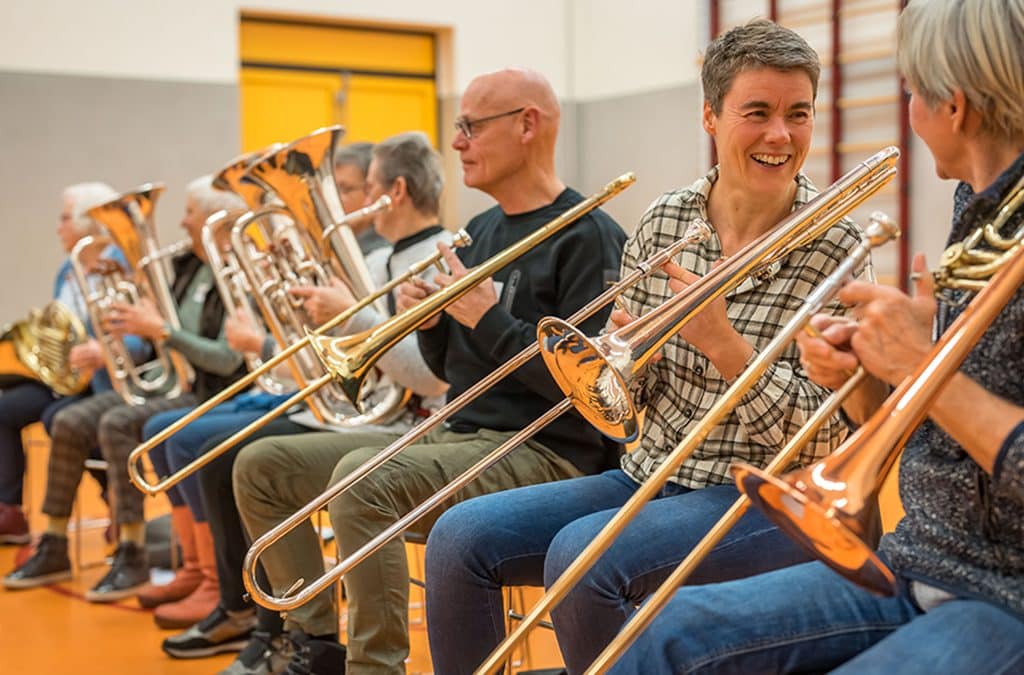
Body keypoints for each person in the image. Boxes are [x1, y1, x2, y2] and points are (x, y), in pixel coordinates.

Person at [423, 20, 876, 675]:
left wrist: (724, 345)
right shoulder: (665, 218)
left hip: (768, 494)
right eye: (758, 112)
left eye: (797, 114)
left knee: (583, 558)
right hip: (652, 470)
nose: (781, 135)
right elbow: (626, 407)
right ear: (710, 117)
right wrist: (626, 358)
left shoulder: (841, 247)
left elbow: (824, 438)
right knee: (459, 537)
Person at [610, 2, 1024, 673]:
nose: (909, 111)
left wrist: (924, 366)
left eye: (912, 93)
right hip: (916, 555)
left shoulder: (879, 232)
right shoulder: (980, 209)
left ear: (957, 107)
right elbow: (898, 427)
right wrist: (861, 372)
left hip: (1004, 592)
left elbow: (932, 407)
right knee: (665, 636)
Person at [232, 68, 626, 675]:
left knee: (361, 481)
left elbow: (587, 394)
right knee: (263, 466)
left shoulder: (589, 236)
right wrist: (429, 322)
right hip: (460, 432)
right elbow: (452, 371)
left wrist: (488, 318)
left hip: (546, 451)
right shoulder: (482, 230)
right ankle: (317, 649)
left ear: (527, 125)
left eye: (471, 126)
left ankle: (377, 668)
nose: (458, 143)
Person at [159, 131, 453, 672]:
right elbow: (334, 363)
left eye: (355, 187)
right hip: (362, 410)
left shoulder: (430, 257)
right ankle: (301, 637)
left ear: (395, 191)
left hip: (409, 424)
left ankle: (267, 624)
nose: (349, 202)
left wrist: (345, 316)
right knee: (237, 459)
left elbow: (429, 378)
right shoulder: (382, 259)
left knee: (236, 456)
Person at [2, 175, 248, 602]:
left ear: (214, 220)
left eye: (190, 213)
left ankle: (132, 549)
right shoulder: (187, 269)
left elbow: (224, 359)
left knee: (118, 422)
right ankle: (55, 543)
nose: (183, 223)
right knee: (69, 420)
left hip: (208, 389)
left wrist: (159, 330)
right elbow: (160, 334)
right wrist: (137, 305)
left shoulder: (231, 274)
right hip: (171, 382)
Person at [0, 181, 143, 544]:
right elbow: (60, 326)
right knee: (4, 409)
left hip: (108, 381)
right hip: (71, 379)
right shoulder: (67, 268)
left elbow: (142, 339)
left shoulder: (121, 263)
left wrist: (103, 352)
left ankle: (115, 498)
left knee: (60, 420)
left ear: (87, 223)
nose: (57, 227)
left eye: (65, 218)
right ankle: (10, 510)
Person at [335, 141, 389, 254]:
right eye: (333, 190)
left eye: (344, 190)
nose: (333, 200)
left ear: (372, 190)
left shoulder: (382, 251)